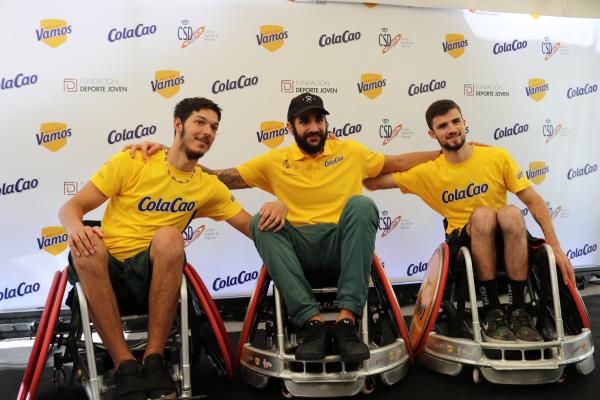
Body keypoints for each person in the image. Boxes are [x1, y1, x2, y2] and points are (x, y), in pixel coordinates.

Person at [132, 92, 441, 363]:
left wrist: (444, 153)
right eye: (304, 121)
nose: (314, 127)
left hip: (340, 244)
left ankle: (347, 322)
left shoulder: (351, 152)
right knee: (261, 222)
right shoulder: (275, 161)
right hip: (298, 249)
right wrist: (171, 151)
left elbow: (398, 162)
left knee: (361, 205)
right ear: (291, 127)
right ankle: (312, 324)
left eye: (319, 119)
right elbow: (218, 177)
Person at [59, 97, 285, 400]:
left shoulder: (208, 186)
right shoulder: (134, 160)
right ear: (178, 125)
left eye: (214, 127)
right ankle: (124, 365)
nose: (207, 131)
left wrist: (281, 207)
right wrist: (77, 229)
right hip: (107, 266)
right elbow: (72, 207)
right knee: (88, 246)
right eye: (200, 122)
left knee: (169, 236)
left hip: (153, 271)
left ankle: (154, 361)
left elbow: (254, 228)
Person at [364, 99, 575, 343]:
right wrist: (436, 153)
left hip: (509, 233)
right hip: (463, 241)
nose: (452, 129)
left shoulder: (496, 156)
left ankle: (519, 312)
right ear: (432, 134)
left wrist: (556, 246)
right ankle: (492, 311)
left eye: (456, 121)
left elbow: (535, 201)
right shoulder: (427, 171)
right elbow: (372, 181)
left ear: (465, 123)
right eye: (442, 126)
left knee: (511, 212)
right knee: (483, 215)